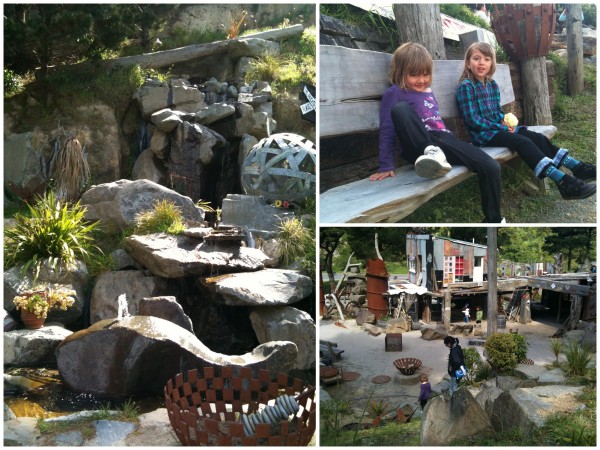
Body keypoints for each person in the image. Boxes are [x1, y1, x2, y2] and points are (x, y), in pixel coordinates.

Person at [370, 42, 505, 223]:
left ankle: (493, 220)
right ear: (400, 72)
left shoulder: (428, 91)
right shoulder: (395, 93)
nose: (421, 80)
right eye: (414, 75)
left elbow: (436, 123)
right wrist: (386, 165)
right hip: (416, 148)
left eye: (425, 74)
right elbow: (387, 130)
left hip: (442, 141)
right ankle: (432, 154)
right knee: (400, 110)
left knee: (491, 166)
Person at [457, 42, 596, 202]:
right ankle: (563, 182)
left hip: (498, 130)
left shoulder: (492, 85)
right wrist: (499, 126)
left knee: (536, 137)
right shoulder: (466, 87)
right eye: (476, 58)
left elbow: (496, 111)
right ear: (468, 63)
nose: (481, 63)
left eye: (487, 59)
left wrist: (503, 120)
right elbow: (472, 120)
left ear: (491, 64)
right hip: (483, 136)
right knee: (522, 142)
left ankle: (578, 168)